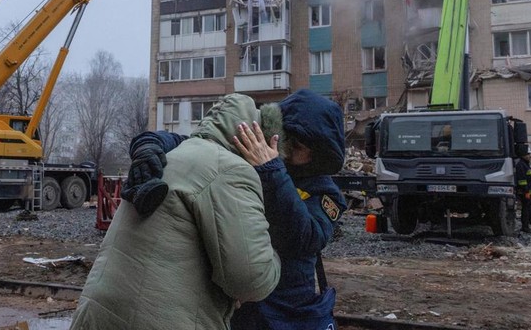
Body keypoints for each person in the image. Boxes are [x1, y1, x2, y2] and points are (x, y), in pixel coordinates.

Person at [125, 89, 347, 330]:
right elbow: (196, 144)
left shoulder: (325, 192)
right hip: (237, 305)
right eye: (287, 139)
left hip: (288, 309)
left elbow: (306, 237)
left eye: (300, 146)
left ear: (318, 154)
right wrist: (148, 145)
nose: (290, 150)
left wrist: (271, 171)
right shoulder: (253, 148)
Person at [69, 93, 281, 330]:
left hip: (96, 315)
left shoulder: (170, 155)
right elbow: (251, 280)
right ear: (255, 135)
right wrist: (276, 253)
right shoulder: (231, 170)